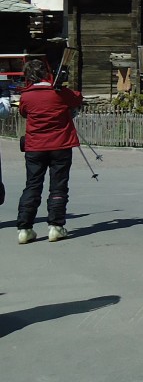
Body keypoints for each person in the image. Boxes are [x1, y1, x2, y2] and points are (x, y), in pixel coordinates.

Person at [16, 58, 83, 243]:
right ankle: (56, 226)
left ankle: (25, 228)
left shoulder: (27, 95)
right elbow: (77, 98)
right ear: (47, 72)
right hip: (60, 145)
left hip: (35, 147)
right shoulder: (58, 92)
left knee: (32, 185)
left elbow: (23, 112)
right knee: (58, 186)